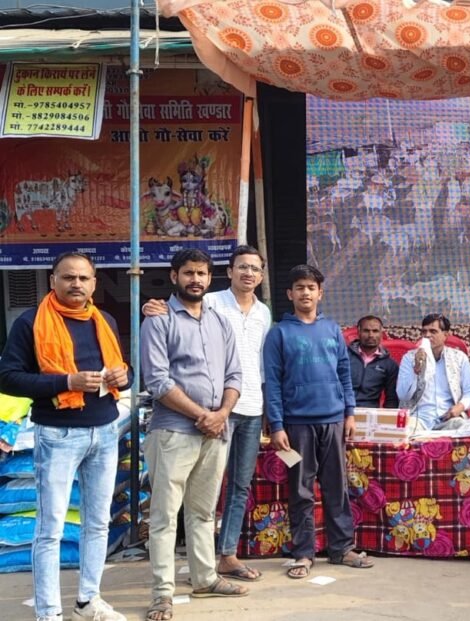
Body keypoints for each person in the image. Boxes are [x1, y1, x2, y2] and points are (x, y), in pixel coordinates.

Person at [0, 252, 131, 621]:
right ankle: (49, 613)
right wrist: (66, 382)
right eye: (69, 277)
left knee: (98, 522)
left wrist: (126, 377)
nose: (77, 284)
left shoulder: (102, 319)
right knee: (51, 528)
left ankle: (88, 601)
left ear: (94, 282)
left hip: (105, 430)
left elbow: (121, 370)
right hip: (57, 434)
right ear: (54, 279)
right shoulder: (31, 323)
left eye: (84, 278)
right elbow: (8, 377)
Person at [142, 245, 271, 583]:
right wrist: (206, 415)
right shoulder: (178, 314)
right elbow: (157, 379)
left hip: (232, 418)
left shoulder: (245, 316)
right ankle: (163, 590)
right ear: (174, 276)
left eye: (201, 273)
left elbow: (238, 371)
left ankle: (213, 571)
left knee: (214, 503)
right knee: (167, 514)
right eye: (188, 273)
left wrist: (222, 413)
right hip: (179, 427)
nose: (195, 279)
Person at [264, 264, 374, 578]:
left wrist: (349, 412)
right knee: (300, 490)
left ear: (320, 293)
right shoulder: (279, 333)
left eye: (311, 288)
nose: (305, 293)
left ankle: (342, 549)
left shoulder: (332, 330)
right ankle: (303, 553)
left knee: (336, 487)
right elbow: (272, 382)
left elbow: (344, 373)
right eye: (300, 287)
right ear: (290, 294)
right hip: (296, 426)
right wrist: (276, 424)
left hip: (334, 421)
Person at [397, 314, 470, 431]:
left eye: (433, 331)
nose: (427, 335)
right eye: (424, 332)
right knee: (405, 431)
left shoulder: (459, 358)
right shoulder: (409, 358)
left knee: (465, 428)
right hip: (418, 418)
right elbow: (403, 395)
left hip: (448, 417)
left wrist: (460, 407)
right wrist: (417, 369)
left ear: (446, 335)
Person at [348, 315, 400, 408]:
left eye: (375, 331)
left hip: (370, 412)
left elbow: (391, 399)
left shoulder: (390, 365)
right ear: (358, 332)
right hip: (342, 410)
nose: (371, 335)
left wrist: (386, 420)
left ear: (381, 333)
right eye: (366, 331)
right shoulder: (344, 356)